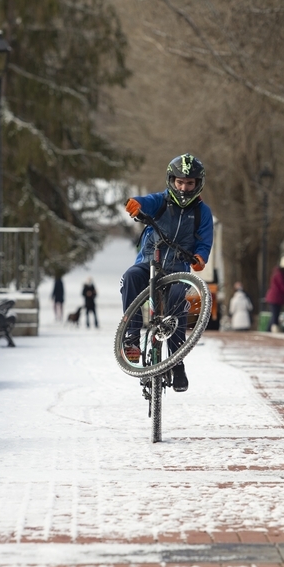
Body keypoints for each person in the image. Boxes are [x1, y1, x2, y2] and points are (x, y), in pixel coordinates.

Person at [121, 153, 214, 392]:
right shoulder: (161, 201)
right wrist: (136, 204)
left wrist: (200, 258)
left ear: (198, 184)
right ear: (171, 181)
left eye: (189, 183)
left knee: (175, 301)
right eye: (179, 182)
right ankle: (131, 338)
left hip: (178, 268)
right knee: (131, 276)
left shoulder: (203, 213)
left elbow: (204, 242)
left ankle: (177, 362)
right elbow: (145, 202)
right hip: (150, 260)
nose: (184, 188)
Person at [265, 256, 284, 333]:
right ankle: (270, 331)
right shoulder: (279, 275)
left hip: (276, 298)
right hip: (275, 298)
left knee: (275, 316)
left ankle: (268, 331)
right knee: (275, 316)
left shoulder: (279, 273)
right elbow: (283, 287)